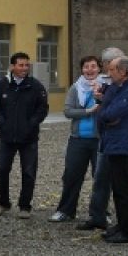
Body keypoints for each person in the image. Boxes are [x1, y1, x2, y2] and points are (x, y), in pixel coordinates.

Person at [0, 52, 48, 219]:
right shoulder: (2, 85)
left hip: (28, 138)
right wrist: (2, 122)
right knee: (2, 169)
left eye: (26, 65)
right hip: (7, 137)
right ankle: (3, 203)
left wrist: (32, 124)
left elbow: (42, 109)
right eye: (20, 65)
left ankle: (25, 206)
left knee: (29, 172)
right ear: (12, 67)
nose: (24, 68)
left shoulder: (35, 86)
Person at [96, 57, 128, 244]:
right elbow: (104, 112)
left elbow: (109, 113)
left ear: (123, 71)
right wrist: (106, 112)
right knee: (118, 189)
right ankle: (122, 225)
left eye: (112, 70)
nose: (109, 74)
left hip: (125, 145)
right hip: (114, 144)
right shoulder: (118, 88)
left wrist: (106, 112)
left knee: (126, 190)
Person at [78, 47, 126, 231]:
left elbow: (113, 114)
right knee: (101, 180)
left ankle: (124, 223)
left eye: (110, 67)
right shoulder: (111, 85)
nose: (108, 71)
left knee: (121, 184)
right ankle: (98, 216)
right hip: (107, 139)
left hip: (120, 141)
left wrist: (102, 102)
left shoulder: (126, 86)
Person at [50, 55, 101, 223]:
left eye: (93, 66)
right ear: (82, 69)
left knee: (100, 177)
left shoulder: (106, 87)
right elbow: (67, 111)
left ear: (99, 68)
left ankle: (100, 213)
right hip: (78, 139)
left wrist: (100, 99)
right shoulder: (75, 88)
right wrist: (87, 111)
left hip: (100, 139)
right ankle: (66, 210)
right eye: (86, 67)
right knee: (71, 175)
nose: (89, 70)